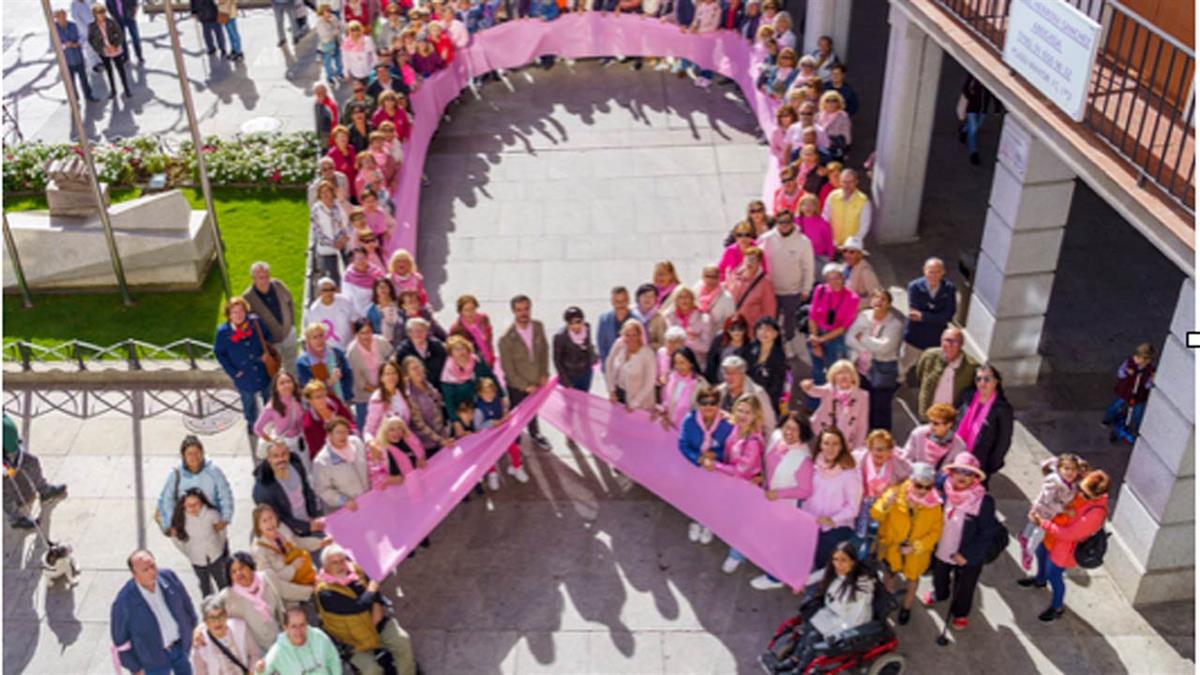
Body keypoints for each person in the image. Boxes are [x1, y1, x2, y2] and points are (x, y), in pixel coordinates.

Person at [1019, 470, 1110, 622]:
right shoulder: (1081, 487)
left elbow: (1068, 534)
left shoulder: (1095, 514)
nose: (1080, 494)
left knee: (1054, 576)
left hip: (1064, 549)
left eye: (1086, 494)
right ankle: (1040, 580)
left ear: (1098, 495)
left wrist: (1042, 523)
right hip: (1050, 537)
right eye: (1080, 489)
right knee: (1041, 556)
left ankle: (1057, 607)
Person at [922, 453, 998, 630]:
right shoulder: (943, 488)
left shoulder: (984, 501)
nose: (962, 476)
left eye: (969, 473)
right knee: (939, 576)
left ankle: (960, 612)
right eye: (958, 471)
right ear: (950, 473)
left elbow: (987, 533)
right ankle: (940, 594)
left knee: (965, 586)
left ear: (976, 478)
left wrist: (967, 555)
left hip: (967, 554)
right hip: (943, 547)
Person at [314, 545, 417, 675]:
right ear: (326, 567)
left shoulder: (355, 570)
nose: (341, 565)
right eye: (335, 562)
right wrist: (372, 590)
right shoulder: (325, 592)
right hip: (353, 640)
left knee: (402, 641)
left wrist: (377, 605)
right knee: (371, 670)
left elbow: (375, 592)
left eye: (342, 560)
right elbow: (358, 606)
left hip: (376, 624)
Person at [747, 411, 815, 590]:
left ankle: (774, 577)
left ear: (803, 432)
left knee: (780, 541)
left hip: (785, 507)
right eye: (787, 427)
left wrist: (779, 494)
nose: (789, 433)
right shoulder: (777, 438)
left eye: (795, 429)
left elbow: (805, 490)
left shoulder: (803, 459)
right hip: (768, 498)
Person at [701, 395, 766, 574]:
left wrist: (715, 466)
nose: (743, 415)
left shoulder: (753, 441)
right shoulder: (736, 427)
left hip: (746, 487)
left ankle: (737, 555)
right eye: (740, 410)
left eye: (748, 412)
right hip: (731, 484)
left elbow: (741, 470)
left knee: (742, 524)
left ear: (756, 415)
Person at [869, 461, 941, 625]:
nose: (923, 491)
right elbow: (875, 515)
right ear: (911, 481)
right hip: (892, 546)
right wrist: (885, 505)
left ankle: (906, 607)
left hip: (916, 553)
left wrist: (916, 547)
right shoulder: (894, 494)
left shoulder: (935, 505)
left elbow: (936, 532)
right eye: (918, 485)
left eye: (927, 487)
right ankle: (885, 604)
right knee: (890, 575)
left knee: (913, 580)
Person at [785, 541, 875, 670]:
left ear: (853, 561)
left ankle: (799, 669)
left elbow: (855, 618)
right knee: (808, 626)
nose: (838, 564)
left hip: (850, 623)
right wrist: (800, 583)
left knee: (813, 637)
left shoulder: (861, 588)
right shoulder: (836, 571)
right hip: (833, 613)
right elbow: (819, 575)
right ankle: (795, 659)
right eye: (835, 559)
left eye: (843, 560)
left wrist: (836, 635)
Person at [111, 549, 197, 675]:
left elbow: (186, 605)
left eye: (152, 565)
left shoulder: (168, 577)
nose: (152, 571)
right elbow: (120, 642)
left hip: (180, 648)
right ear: (135, 575)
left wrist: (192, 631)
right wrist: (135, 668)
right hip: (152, 661)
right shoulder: (124, 602)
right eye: (145, 570)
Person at [677, 386, 733, 544]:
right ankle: (695, 521)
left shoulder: (727, 424)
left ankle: (709, 524)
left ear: (718, 404)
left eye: (713, 402)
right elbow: (683, 444)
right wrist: (698, 458)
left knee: (714, 498)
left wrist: (716, 455)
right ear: (698, 404)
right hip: (694, 468)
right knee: (694, 496)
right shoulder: (689, 420)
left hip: (716, 469)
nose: (708, 406)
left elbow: (731, 448)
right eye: (704, 402)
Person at [497, 294, 552, 449]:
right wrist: (524, 386)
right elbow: (508, 369)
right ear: (513, 312)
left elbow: (544, 351)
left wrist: (544, 373)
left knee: (533, 410)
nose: (523, 313)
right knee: (517, 413)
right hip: (517, 386)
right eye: (519, 310)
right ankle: (515, 439)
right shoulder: (506, 338)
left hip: (536, 381)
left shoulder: (538, 326)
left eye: (526, 309)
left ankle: (535, 434)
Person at [844, 289, 903, 431]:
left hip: (882, 371)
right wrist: (865, 349)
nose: (878, 302)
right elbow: (849, 338)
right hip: (862, 370)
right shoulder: (864, 316)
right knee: (863, 404)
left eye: (883, 299)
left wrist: (863, 338)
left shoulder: (895, 324)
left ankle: (882, 437)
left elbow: (885, 347)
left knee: (880, 408)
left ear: (889, 304)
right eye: (876, 298)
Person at [802, 428, 861, 569]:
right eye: (826, 443)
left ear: (841, 447)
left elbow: (853, 507)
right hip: (812, 522)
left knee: (825, 562)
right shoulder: (813, 467)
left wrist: (832, 519)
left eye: (835, 444)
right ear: (820, 445)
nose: (830, 448)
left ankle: (819, 586)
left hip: (836, 527)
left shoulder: (849, 473)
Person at [215, 297, 274, 433]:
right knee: (248, 401)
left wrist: (268, 352)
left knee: (268, 396)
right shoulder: (223, 332)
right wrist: (234, 372)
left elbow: (268, 337)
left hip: (262, 369)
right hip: (244, 375)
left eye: (241, 310)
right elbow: (219, 354)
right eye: (234, 312)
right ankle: (252, 422)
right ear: (229, 315)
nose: (238, 315)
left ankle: (269, 420)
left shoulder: (255, 322)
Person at [1018, 453, 1086, 572]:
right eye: (1066, 469)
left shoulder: (1072, 481)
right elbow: (1048, 501)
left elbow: (1083, 470)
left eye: (1074, 469)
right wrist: (1064, 510)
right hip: (1045, 510)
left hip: (1050, 511)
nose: (1070, 472)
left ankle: (1024, 537)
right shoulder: (1053, 481)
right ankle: (1028, 553)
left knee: (1032, 524)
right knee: (1039, 533)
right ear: (1059, 469)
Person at [2, 414, 67, 530]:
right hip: (5, 459)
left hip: (13, 451)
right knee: (6, 487)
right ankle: (16, 519)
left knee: (31, 462)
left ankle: (45, 491)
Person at [758, 211, 814, 345]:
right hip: (770, 290)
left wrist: (806, 289)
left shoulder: (804, 242)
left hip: (792, 291)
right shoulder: (766, 239)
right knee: (770, 321)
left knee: (790, 323)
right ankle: (772, 346)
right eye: (780, 222)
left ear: (793, 222)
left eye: (787, 222)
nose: (784, 225)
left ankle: (787, 342)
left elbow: (808, 268)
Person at [253, 436, 325, 539]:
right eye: (275, 456)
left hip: (309, 521)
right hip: (290, 534)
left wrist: (312, 515)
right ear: (268, 458)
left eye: (284, 454)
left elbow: (307, 489)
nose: (281, 459)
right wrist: (305, 526)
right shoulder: (263, 489)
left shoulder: (296, 465)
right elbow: (278, 517)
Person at [250, 503, 324, 604]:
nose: (270, 523)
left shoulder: (282, 528)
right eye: (264, 521)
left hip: (305, 577)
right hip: (291, 595)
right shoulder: (258, 550)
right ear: (258, 526)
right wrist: (292, 568)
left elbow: (297, 542)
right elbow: (272, 581)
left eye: (271, 517)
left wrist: (320, 542)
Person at [218, 552, 287, 653]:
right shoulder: (227, 596)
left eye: (242, 568)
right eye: (233, 572)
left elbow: (286, 591)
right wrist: (199, 632)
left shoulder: (267, 577)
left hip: (281, 640)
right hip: (257, 652)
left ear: (250, 567)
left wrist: (311, 589)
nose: (239, 573)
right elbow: (212, 614)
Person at [955, 363, 1014, 481]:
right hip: (956, 454)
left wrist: (992, 465)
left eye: (987, 379)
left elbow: (1003, 440)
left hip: (981, 461)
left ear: (996, 382)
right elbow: (955, 418)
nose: (982, 383)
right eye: (978, 379)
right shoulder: (967, 395)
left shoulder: (1002, 409)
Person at [169, 487, 231, 597]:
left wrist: (219, 547)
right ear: (184, 505)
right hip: (197, 560)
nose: (193, 508)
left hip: (215, 556)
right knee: (205, 586)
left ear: (202, 502)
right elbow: (178, 541)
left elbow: (221, 533)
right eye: (189, 505)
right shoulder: (181, 520)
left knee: (222, 583)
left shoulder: (212, 514)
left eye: (196, 504)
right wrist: (189, 553)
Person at [901, 258, 958, 376]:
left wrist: (923, 316)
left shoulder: (949, 289)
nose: (934, 275)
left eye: (937, 272)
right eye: (931, 271)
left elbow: (948, 315)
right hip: (915, 336)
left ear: (943, 272)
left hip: (935, 338)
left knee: (931, 368)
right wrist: (936, 316)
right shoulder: (914, 287)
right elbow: (914, 313)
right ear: (924, 271)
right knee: (904, 365)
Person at [806, 262, 858, 388]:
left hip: (835, 338)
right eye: (830, 279)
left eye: (837, 278)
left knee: (835, 372)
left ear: (843, 277)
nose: (834, 282)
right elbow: (812, 316)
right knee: (817, 371)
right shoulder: (821, 290)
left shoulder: (852, 298)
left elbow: (843, 327)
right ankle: (817, 404)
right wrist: (815, 339)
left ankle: (836, 402)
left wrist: (820, 340)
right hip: (816, 333)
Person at [243, 262, 299, 376]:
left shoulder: (278, 285)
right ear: (253, 279)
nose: (265, 280)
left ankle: (294, 388)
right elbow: (248, 324)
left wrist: (292, 324)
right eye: (260, 277)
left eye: (267, 276)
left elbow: (290, 302)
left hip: (288, 334)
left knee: (292, 365)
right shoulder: (247, 297)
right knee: (274, 371)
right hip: (271, 343)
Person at [800, 359, 868, 450]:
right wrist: (808, 387)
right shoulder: (829, 389)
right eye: (839, 373)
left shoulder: (862, 396)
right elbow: (815, 391)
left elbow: (862, 424)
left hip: (846, 440)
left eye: (847, 372)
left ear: (853, 377)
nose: (843, 376)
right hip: (822, 434)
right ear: (834, 377)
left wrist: (857, 448)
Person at [914, 327, 979, 420]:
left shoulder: (971, 366)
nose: (950, 345)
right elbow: (919, 375)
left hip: (951, 419)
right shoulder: (929, 356)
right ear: (941, 341)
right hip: (928, 415)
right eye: (947, 340)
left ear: (962, 344)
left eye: (955, 341)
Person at [191, 594, 262, 675]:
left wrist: (252, 670)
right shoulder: (200, 645)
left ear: (226, 615)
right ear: (205, 621)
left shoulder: (240, 627)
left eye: (220, 615)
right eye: (212, 618)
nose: (217, 622)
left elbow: (255, 654)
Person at [313, 417, 371, 512]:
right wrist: (343, 501)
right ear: (329, 435)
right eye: (338, 432)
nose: (343, 436)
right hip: (346, 509)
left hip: (368, 502)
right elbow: (323, 490)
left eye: (345, 432)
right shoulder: (322, 461)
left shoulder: (356, 443)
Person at [1102, 342, 1156, 444]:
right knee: (1116, 405)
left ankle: (1132, 429)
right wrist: (1126, 372)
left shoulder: (1149, 370)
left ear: (1147, 360)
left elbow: (1147, 385)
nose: (1136, 359)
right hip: (1126, 390)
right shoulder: (1130, 363)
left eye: (1139, 358)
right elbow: (1120, 373)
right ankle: (1107, 419)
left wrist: (1151, 380)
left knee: (1137, 413)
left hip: (1139, 395)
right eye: (1136, 356)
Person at [260, 607, 341, 674]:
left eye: (302, 625)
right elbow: (262, 672)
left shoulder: (319, 637)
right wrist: (259, 670)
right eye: (293, 626)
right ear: (285, 628)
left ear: (307, 624)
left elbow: (333, 659)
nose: (298, 631)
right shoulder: (278, 650)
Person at [346, 319, 393, 431]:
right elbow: (359, 382)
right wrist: (381, 394)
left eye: (369, 332)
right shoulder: (352, 352)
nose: (366, 336)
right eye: (362, 333)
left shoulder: (381, 341)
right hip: (365, 396)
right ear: (356, 334)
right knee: (367, 429)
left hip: (387, 390)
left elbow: (392, 358)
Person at [605, 319, 658, 414]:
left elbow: (649, 382)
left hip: (640, 403)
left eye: (634, 335)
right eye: (627, 335)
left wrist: (635, 402)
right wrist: (611, 390)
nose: (630, 339)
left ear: (639, 336)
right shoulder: (619, 344)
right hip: (619, 395)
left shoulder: (647, 354)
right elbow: (609, 363)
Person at [403, 355, 454, 454]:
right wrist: (441, 440)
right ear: (407, 374)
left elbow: (439, 406)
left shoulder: (428, 385)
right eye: (414, 369)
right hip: (427, 445)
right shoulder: (410, 395)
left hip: (442, 435)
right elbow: (420, 425)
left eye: (419, 366)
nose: (419, 370)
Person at [899, 403, 967, 471]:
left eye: (935, 423)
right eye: (930, 421)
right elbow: (906, 458)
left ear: (949, 424)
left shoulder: (959, 446)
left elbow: (956, 471)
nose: (931, 426)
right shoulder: (918, 433)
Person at [297, 322, 355, 403]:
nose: (319, 340)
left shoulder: (336, 353)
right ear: (308, 340)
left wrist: (345, 395)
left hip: (342, 402)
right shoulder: (303, 362)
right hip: (319, 406)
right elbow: (308, 387)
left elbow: (348, 375)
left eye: (321, 335)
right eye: (314, 337)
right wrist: (329, 382)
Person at [53, 9, 98, 102]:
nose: (64, 18)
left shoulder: (73, 25)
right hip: (67, 61)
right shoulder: (54, 30)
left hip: (78, 57)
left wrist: (78, 43)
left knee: (84, 79)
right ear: (56, 18)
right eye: (61, 16)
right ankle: (74, 99)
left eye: (64, 16)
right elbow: (54, 46)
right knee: (71, 82)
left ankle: (88, 95)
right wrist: (65, 45)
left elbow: (82, 37)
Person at [656, 347, 706, 430]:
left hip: (690, 430)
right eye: (676, 363)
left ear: (691, 363)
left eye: (682, 363)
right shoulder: (671, 378)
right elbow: (666, 402)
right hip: (669, 428)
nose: (678, 367)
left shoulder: (700, 384)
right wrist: (663, 413)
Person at [725, 247, 776, 329]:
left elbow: (769, 309)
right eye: (747, 259)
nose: (749, 262)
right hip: (734, 326)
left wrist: (765, 328)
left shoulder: (765, 283)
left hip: (752, 327)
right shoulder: (734, 276)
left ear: (759, 263)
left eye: (753, 260)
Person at [89, 4, 132, 99]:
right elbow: (91, 40)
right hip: (104, 51)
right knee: (109, 71)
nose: (102, 15)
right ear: (95, 14)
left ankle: (126, 89)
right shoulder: (92, 26)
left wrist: (115, 45)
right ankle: (113, 90)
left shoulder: (111, 22)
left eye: (103, 12)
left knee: (121, 70)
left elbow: (120, 34)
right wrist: (102, 49)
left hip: (115, 49)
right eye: (100, 13)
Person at [310, 183, 350, 285]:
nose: (325, 194)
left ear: (332, 193)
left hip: (342, 245)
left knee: (348, 273)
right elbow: (318, 232)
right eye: (322, 192)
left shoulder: (338, 205)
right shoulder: (316, 209)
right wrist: (333, 243)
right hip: (327, 249)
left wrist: (343, 238)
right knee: (333, 278)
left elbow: (344, 222)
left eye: (328, 191)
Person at [819, 169, 870, 246]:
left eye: (850, 182)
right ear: (840, 182)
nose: (847, 185)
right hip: (832, 243)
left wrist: (852, 243)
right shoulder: (832, 196)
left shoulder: (863, 201)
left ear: (856, 182)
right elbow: (825, 217)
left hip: (851, 247)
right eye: (844, 182)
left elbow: (864, 226)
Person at [746, 316, 788, 412]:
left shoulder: (779, 356)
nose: (763, 333)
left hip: (768, 401)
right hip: (748, 396)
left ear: (776, 334)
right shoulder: (750, 350)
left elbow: (777, 385)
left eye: (768, 330)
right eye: (760, 329)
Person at [553, 306, 598, 393]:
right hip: (570, 374)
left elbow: (588, 345)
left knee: (584, 399)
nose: (576, 326)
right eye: (571, 323)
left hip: (585, 372)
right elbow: (557, 360)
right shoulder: (561, 337)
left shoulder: (587, 329)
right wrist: (565, 381)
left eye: (578, 322)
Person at [396, 317, 449, 390]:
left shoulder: (437, 345)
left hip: (439, 385)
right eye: (415, 331)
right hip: (415, 389)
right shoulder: (402, 350)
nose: (418, 334)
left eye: (421, 330)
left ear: (427, 332)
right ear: (409, 333)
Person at [662, 287, 712, 364]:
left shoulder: (704, 318)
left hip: (695, 363)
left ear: (692, 299)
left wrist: (684, 341)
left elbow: (706, 347)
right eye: (681, 297)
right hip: (673, 362)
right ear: (675, 300)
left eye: (687, 297)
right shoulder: (668, 316)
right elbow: (666, 342)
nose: (684, 300)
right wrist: (692, 338)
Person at [958, 75, 997, 165]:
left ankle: (964, 131)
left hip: (983, 109)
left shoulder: (990, 80)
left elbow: (994, 93)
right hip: (972, 107)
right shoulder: (973, 76)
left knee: (976, 126)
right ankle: (973, 153)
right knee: (974, 129)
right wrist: (971, 95)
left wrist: (997, 108)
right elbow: (965, 88)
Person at [704, 316, 750, 385]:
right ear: (727, 330)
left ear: (745, 329)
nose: (736, 332)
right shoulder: (720, 339)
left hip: (738, 385)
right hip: (718, 382)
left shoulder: (750, 346)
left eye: (740, 328)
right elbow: (711, 361)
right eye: (732, 329)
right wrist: (711, 382)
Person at [596, 286, 633, 369]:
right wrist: (606, 367)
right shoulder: (604, 319)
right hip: (612, 368)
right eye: (617, 301)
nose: (620, 305)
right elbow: (601, 345)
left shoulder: (637, 319)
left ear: (628, 300)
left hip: (632, 368)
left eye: (623, 301)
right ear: (612, 302)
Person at [839, 237, 880, 311]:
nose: (847, 254)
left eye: (852, 252)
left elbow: (876, 297)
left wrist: (852, 303)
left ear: (860, 255)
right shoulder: (844, 266)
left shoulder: (866, 272)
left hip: (856, 311)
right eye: (845, 251)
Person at [796, 193, 834, 270]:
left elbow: (829, 243)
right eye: (805, 205)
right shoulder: (795, 222)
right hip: (799, 259)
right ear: (800, 206)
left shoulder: (823, 223)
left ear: (816, 207)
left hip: (818, 260)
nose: (808, 207)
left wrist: (830, 260)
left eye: (811, 205)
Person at [695, 265, 736, 333]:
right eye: (707, 276)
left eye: (714, 277)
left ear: (719, 278)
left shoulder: (727, 298)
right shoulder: (696, 290)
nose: (710, 280)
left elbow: (730, 322)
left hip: (716, 338)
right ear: (702, 276)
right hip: (697, 337)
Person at [632, 283, 668, 351]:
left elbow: (662, 343)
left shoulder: (659, 318)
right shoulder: (631, 314)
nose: (648, 299)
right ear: (638, 297)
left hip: (651, 355)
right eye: (645, 296)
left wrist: (645, 346)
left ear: (655, 299)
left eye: (651, 296)